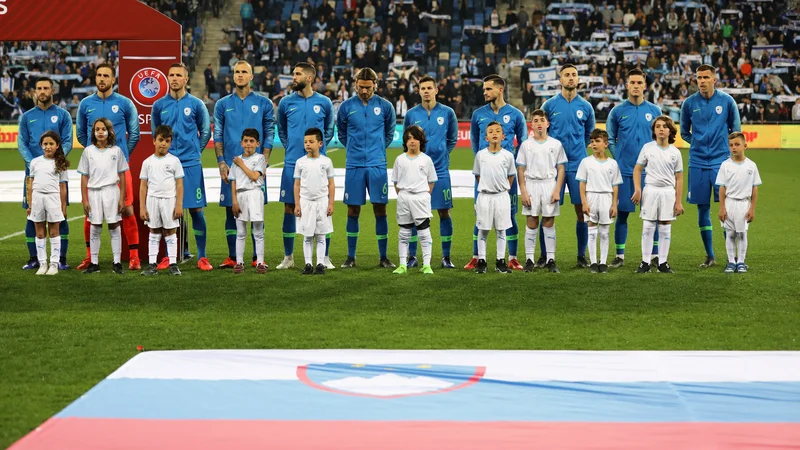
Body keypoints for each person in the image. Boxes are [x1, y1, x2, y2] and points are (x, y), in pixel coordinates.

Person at [76, 63, 141, 271]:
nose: (102, 79)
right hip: (94, 168)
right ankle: (89, 257)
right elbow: (81, 135)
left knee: (127, 209)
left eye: (106, 76)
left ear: (113, 80)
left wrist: (121, 154)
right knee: (90, 213)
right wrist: (93, 153)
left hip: (119, 167)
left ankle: (134, 257)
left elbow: (135, 133)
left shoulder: (125, 103)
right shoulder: (86, 104)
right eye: (99, 75)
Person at [151, 63, 212, 271]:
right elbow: (156, 133)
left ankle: (202, 256)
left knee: (196, 209)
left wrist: (195, 152)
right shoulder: (159, 105)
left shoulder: (196, 104)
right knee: (167, 211)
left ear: (186, 79)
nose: (174, 78)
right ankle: (170, 256)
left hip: (190, 164)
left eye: (178, 75)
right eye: (171, 75)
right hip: (167, 165)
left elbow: (205, 132)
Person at [214, 61, 275, 268]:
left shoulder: (264, 103)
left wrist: (265, 159)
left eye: (244, 72)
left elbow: (269, 132)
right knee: (232, 210)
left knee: (256, 210)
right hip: (231, 165)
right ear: (233, 76)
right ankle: (233, 257)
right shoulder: (222, 104)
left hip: (255, 165)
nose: (240, 75)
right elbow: (218, 134)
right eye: (237, 72)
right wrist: (221, 161)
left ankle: (257, 258)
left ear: (251, 77)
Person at [680, 64, 741, 268]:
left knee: (728, 210)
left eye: (706, 77)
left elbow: (736, 130)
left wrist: (725, 149)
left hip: (721, 162)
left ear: (715, 79)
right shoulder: (689, 103)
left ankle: (733, 258)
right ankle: (710, 256)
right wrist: (698, 144)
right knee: (702, 208)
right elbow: (684, 132)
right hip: (697, 162)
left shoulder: (727, 101)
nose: (702, 81)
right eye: (699, 77)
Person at [276, 62, 335, 270]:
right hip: (292, 162)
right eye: (294, 73)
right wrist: (292, 148)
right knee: (290, 208)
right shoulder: (285, 103)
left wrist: (317, 152)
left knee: (322, 209)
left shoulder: (325, 103)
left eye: (297, 74)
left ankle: (324, 257)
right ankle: (288, 256)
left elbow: (328, 131)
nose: (294, 77)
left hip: (318, 165)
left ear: (309, 78)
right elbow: (281, 130)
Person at [336, 67, 396, 268]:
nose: (364, 91)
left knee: (380, 209)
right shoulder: (345, 107)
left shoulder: (385, 107)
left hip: (377, 164)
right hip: (354, 164)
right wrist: (354, 150)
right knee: (352, 210)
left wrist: (377, 150)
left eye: (368, 88)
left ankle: (384, 257)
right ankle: (351, 257)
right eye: (361, 87)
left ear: (375, 86)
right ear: (355, 85)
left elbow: (388, 134)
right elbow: (342, 134)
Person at [465, 75, 527, 271]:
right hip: (484, 176)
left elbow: (523, 143)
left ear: (500, 90)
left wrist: (511, 165)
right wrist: (483, 163)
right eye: (484, 90)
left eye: (488, 89)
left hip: (507, 175)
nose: (484, 93)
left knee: (510, 216)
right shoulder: (478, 115)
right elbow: (475, 142)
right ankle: (477, 257)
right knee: (480, 217)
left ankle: (512, 257)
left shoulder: (516, 114)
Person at [606, 68, 663, 268]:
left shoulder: (654, 111)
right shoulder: (617, 111)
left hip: (650, 173)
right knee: (622, 213)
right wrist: (619, 157)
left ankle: (655, 255)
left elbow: (660, 139)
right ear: (627, 85)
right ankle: (620, 256)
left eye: (640, 83)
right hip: (624, 172)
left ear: (645, 86)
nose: (636, 86)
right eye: (633, 82)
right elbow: (610, 138)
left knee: (653, 216)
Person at [541, 64, 595, 268]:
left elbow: (589, 133)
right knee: (547, 211)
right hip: (553, 166)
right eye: (566, 75)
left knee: (581, 211)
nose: (571, 78)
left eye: (574, 75)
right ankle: (545, 256)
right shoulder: (549, 106)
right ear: (560, 80)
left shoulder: (586, 107)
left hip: (578, 165)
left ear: (578, 79)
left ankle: (581, 256)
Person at [402, 75, 458, 269]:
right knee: (413, 214)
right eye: (422, 88)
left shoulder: (448, 112)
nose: (426, 91)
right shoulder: (411, 114)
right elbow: (406, 140)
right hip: (416, 172)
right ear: (418, 91)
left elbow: (451, 139)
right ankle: (412, 256)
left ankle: (446, 257)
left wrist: (441, 153)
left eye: (429, 88)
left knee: (444, 211)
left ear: (436, 90)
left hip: (440, 169)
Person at [17, 77, 73, 271]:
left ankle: (61, 259)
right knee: (32, 215)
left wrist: (55, 162)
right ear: (35, 92)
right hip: (33, 174)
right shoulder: (26, 117)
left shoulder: (63, 115)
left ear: (52, 91)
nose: (42, 91)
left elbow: (67, 141)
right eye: (39, 88)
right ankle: (34, 258)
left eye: (46, 88)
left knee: (61, 215)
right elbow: (22, 143)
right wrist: (33, 164)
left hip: (56, 173)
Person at [632, 116, 685, 274]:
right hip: (651, 190)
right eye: (658, 126)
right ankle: (645, 262)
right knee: (648, 226)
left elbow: (679, 177)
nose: (661, 129)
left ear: (670, 130)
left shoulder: (675, 152)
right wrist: (638, 189)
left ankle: (663, 262)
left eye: (665, 126)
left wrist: (678, 201)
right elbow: (637, 169)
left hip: (668, 192)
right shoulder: (648, 148)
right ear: (654, 130)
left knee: (664, 227)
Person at [516, 109, 566, 273]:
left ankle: (551, 259)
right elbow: (521, 169)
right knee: (531, 221)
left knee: (549, 221)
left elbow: (561, 168)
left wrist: (558, 190)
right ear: (531, 124)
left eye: (542, 120)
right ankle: (529, 259)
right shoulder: (526, 145)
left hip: (549, 184)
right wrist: (523, 191)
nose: (539, 123)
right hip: (531, 185)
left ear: (547, 124)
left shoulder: (555, 144)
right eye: (535, 120)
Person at [77, 118, 129, 274]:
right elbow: (84, 176)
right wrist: (84, 199)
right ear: (93, 132)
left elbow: (122, 175)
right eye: (97, 129)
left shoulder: (116, 151)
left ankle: (117, 262)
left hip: (112, 191)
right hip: (94, 193)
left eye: (103, 129)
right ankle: (94, 263)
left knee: (114, 225)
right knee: (95, 227)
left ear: (109, 131)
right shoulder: (88, 151)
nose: (100, 132)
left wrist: (122, 198)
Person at [139, 125, 184, 277]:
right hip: (152, 200)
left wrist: (179, 205)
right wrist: (142, 207)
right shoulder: (147, 162)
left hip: (169, 200)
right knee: (154, 231)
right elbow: (143, 186)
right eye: (160, 140)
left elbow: (179, 184)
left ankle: (173, 263)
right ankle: (152, 264)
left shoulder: (174, 161)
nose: (163, 143)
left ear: (170, 143)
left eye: (167, 141)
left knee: (170, 232)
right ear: (154, 141)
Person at [392, 125, 438, 275]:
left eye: (415, 138)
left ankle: (426, 265)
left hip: (421, 198)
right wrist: (403, 195)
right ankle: (402, 264)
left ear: (421, 141)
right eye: (409, 138)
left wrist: (424, 196)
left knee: (424, 233)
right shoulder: (400, 159)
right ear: (405, 141)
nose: (412, 141)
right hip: (404, 197)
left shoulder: (426, 160)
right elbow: (396, 181)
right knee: (404, 233)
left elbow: (431, 181)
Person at [472, 121, 517, 274]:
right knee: (483, 231)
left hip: (502, 197)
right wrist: (487, 187)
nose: (495, 133)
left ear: (503, 136)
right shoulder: (481, 155)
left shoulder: (508, 156)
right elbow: (478, 175)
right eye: (491, 131)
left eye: (498, 131)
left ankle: (500, 261)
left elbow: (511, 176)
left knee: (501, 231)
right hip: (485, 197)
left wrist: (502, 188)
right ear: (486, 138)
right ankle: (482, 261)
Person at [576, 129, 621, 273]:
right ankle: (593, 263)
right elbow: (582, 184)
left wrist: (614, 204)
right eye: (592, 141)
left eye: (598, 141)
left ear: (606, 144)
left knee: (605, 232)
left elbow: (615, 186)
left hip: (606, 198)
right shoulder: (586, 162)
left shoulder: (612, 164)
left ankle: (603, 262)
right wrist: (584, 202)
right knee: (592, 231)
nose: (594, 144)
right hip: (591, 197)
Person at [716, 132, 761, 274]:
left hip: (743, 204)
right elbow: (722, 188)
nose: (733, 148)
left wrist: (752, 208)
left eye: (737, 144)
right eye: (731, 145)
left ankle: (741, 261)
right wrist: (722, 207)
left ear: (745, 146)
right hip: (729, 203)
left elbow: (755, 189)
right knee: (730, 234)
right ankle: (731, 262)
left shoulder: (751, 166)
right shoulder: (725, 165)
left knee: (742, 234)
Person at [26, 131, 69, 275]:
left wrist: (63, 206)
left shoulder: (60, 163)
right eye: (45, 144)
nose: (48, 147)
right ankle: (42, 263)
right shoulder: (35, 162)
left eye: (51, 144)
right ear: (41, 146)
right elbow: (30, 184)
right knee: (39, 232)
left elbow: (62, 187)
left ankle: (54, 264)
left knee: (54, 231)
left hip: (53, 198)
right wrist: (30, 204)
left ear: (57, 146)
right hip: (38, 198)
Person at [293, 128, 336, 275]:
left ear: (320, 143)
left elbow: (331, 184)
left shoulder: (326, 161)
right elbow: (297, 184)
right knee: (307, 236)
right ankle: (308, 264)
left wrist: (331, 203)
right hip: (306, 202)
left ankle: (320, 263)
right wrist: (297, 204)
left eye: (311, 141)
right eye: (305, 142)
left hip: (322, 202)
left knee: (321, 235)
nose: (308, 144)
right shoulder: (300, 162)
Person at [228, 129, 268, 274]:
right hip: (240, 195)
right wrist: (234, 201)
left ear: (257, 143)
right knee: (241, 231)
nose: (248, 144)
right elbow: (233, 182)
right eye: (245, 141)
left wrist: (241, 164)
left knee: (258, 231)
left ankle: (260, 262)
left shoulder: (260, 158)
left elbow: (253, 176)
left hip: (255, 194)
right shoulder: (236, 160)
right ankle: (239, 262)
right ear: (241, 143)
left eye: (251, 141)